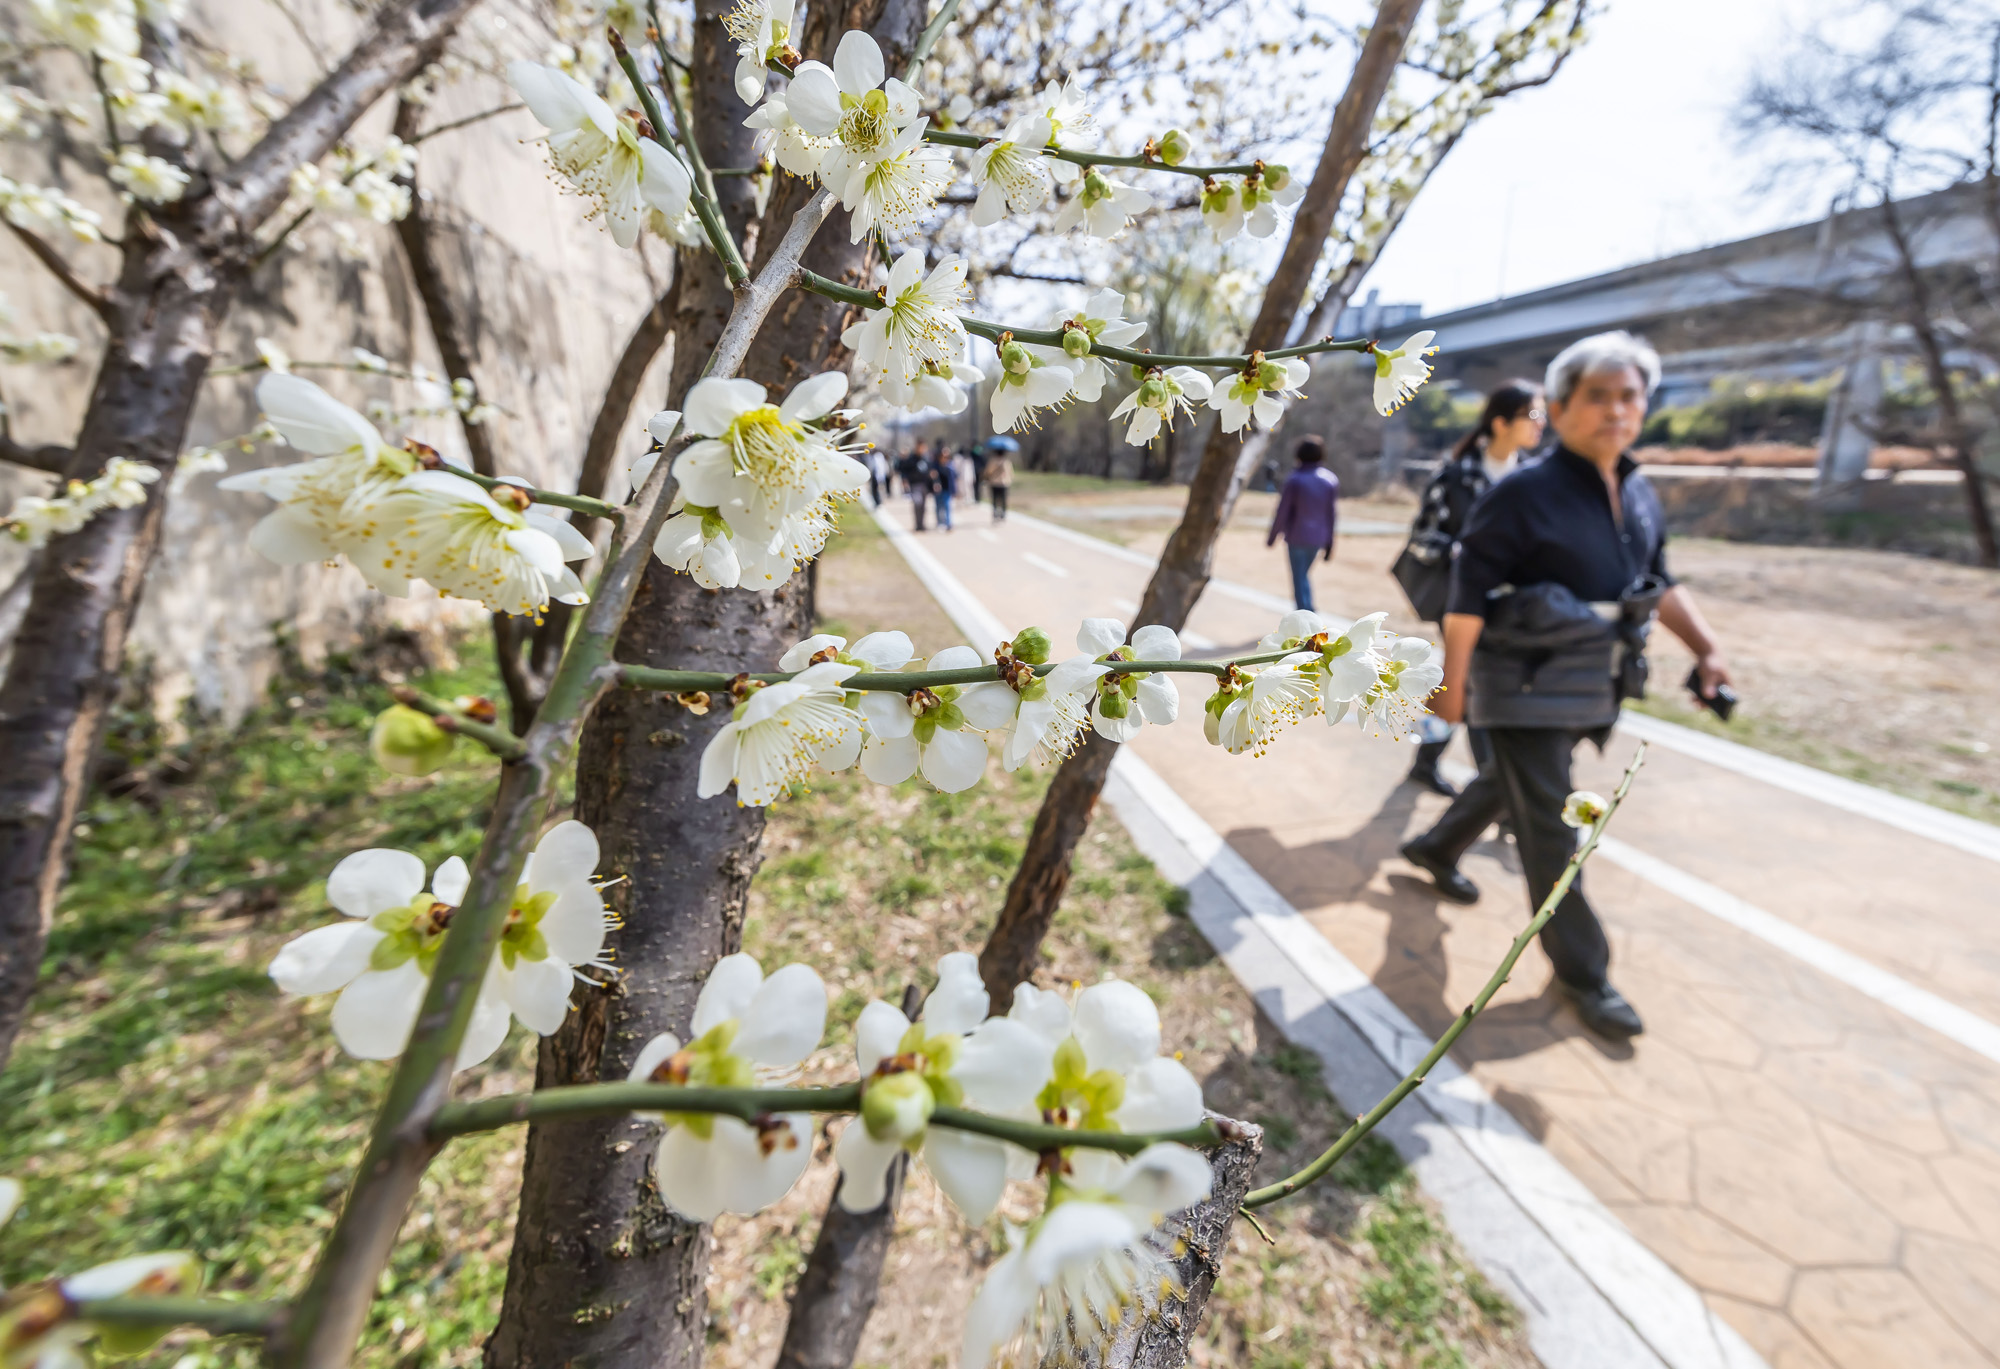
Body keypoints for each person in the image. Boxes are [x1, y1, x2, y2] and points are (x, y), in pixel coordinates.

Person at [1399, 332, 1734, 1040]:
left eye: (1629, 395)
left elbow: (1658, 583)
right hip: (1520, 680)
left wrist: (1706, 649)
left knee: (1523, 785)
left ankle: (1436, 846)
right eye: (1597, 396)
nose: (1616, 410)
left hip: (1591, 678)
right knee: (1551, 828)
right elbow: (1467, 595)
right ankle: (1587, 972)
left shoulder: (1637, 492)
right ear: (1557, 406)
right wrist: (1452, 689)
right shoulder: (1523, 493)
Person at [1405, 380, 1546, 797]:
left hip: (1514, 605)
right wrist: (1463, 553)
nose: (1540, 425)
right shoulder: (1453, 476)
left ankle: (1438, 766)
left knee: (1470, 682)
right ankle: (1496, 788)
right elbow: (1421, 537)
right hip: (1462, 603)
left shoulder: (1535, 480)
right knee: (1474, 683)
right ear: (1501, 422)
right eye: (1533, 415)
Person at [1266, 436, 1339, 611]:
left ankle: (1306, 614)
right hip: (1318, 538)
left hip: (1297, 537)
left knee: (1299, 577)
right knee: (1303, 575)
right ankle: (1308, 611)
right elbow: (1332, 515)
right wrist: (1330, 542)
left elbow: (1282, 511)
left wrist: (1272, 536)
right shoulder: (1330, 480)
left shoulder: (1295, 480)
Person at [899, 442, 931, 531]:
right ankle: (918, 524)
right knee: (917, 504)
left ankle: (922, 524)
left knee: (923, 506)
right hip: (915, 485)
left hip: (924, 485)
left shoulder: (926, 459)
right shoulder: (911, 459)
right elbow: (905, 471)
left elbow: (930, 470)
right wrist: (905, 481)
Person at [931, 447, 958, 530]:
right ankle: (939, 522)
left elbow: (955, 477)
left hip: (947, 489)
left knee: (947, 506)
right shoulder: (935, 465)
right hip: (937, 489)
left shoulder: (950, 466)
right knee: (938, 506)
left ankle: (948, 523)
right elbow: (931, 475)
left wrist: (954, 491)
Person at [986, 447, 1014, 520]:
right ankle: (1002, 512)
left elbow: (988, 472)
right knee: (1003, 499)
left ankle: (996, 512)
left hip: (994, 482)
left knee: (995, 499)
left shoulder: (992, 461)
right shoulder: (1007, 462)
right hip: (1004, 483)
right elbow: (1011, 473)